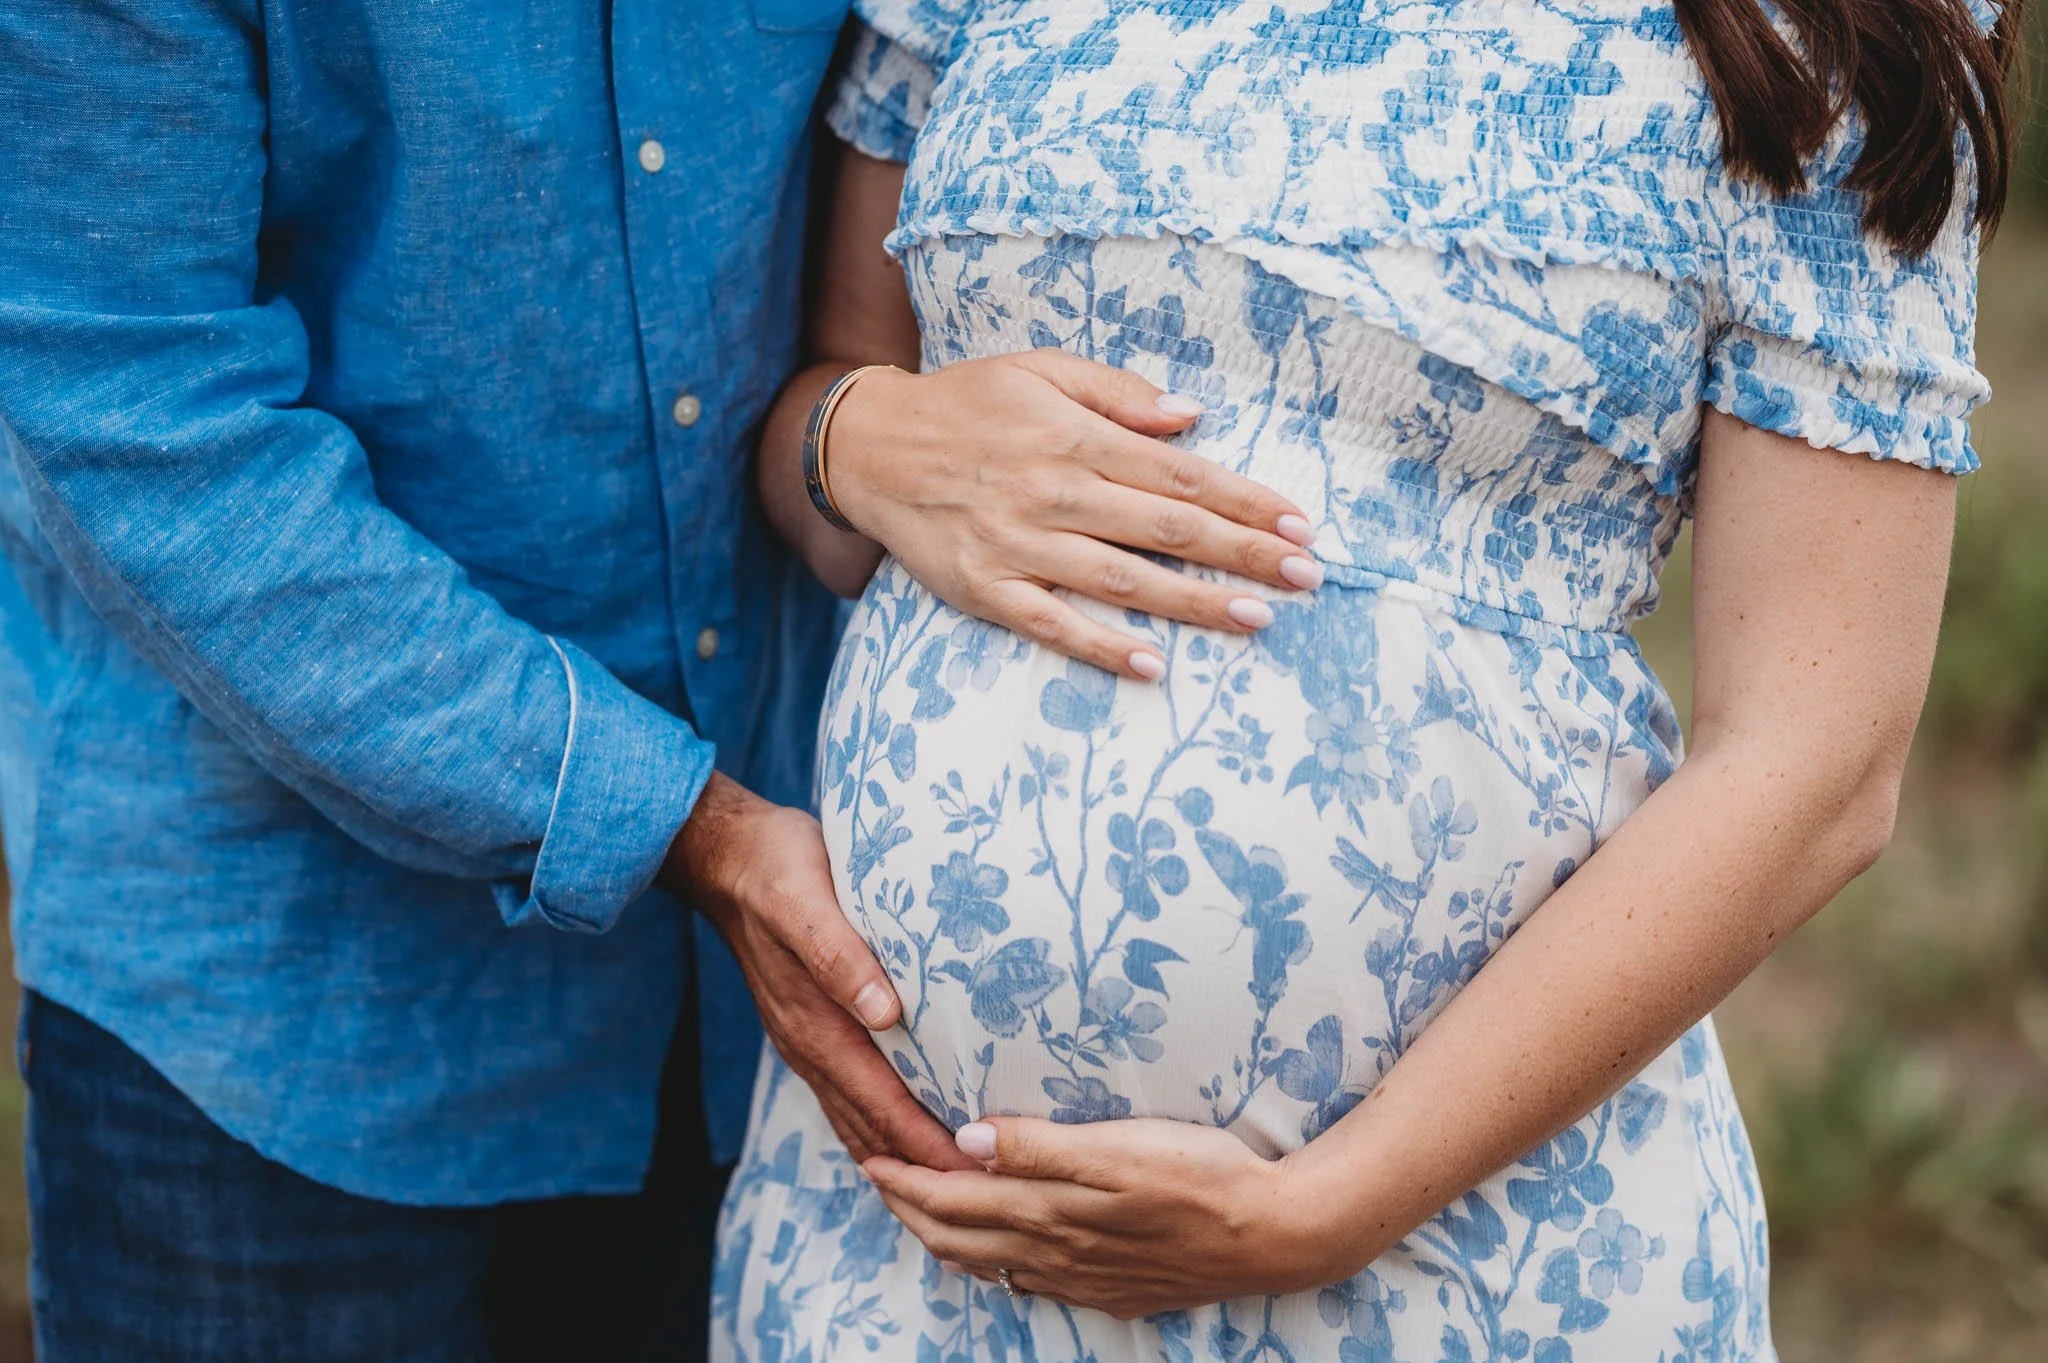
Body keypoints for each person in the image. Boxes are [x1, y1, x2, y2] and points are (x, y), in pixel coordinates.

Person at [0, 2, 1314, 1357]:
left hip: (759, 1026)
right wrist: (689, 825)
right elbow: (134, 413)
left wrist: (854, 430)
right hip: (284, 1020)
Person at [718, 0, 2021, 1358]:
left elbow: (1817, 759)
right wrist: (855, 438)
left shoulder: (1815, 30)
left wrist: (1324, 1207)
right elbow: (818, 460)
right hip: (912, 1241)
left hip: (1463, 1250)